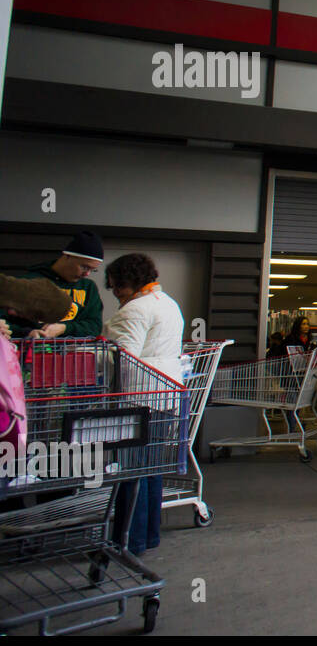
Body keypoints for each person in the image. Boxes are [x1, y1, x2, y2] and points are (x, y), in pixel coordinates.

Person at [103, 253, 185, 557]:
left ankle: (127, 541)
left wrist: (92, 353)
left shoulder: (134, 310)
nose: (115, 294)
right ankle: (147, 536)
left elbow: (122, 358)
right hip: (166, 397)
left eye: (116, 287)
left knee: (130, 472)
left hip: (139, 399)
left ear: (130, 281)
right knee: (151, 469)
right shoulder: (169, 303)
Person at [5, 230, 104, 339]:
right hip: (30, 350)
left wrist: (64, 328)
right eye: (84, 267)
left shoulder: (88, 287)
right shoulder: (30, 281)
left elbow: (95, 326)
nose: (87, 274)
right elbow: (3, 320)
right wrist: (26, 332)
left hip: (75, 352)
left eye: (93, 270)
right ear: (67, 256)